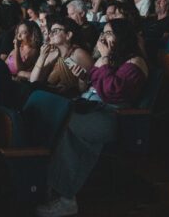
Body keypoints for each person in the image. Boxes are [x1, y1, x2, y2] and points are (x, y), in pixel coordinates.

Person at [36, 19, 148, 217]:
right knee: (48, 115)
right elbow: (92, 85)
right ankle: (48, 184)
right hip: (92, 107)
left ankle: (66, 198)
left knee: (65, 123)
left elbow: (112, 93)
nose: (104, 37)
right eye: (103, 32)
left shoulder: (135, 62)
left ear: (122, 37)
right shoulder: (112, 58)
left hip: (113, 117)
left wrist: (103, 60)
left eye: (109, 33)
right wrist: (83, 78)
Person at [29, 18, 93, 97]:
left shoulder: (79, 54)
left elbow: (85, 90)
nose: (50, 35)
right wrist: (42, 57)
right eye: (50, 31)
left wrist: (82, 79)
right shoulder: (51, 53)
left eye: (55, 31)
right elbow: (33, 81)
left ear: (68, 35)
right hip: (46, 95)